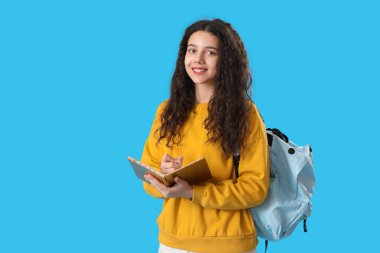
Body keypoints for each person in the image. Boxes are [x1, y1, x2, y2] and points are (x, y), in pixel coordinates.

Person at [141, 19, 269, 253]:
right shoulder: (166, 111)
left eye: (210, 52)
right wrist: (164, 176)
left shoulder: (246, 114)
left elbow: (255, 188)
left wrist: (192, 192)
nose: (198, 59)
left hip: (228, 244)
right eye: (192, 50)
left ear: (226, 60)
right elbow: (148, 178)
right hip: (173, 244)